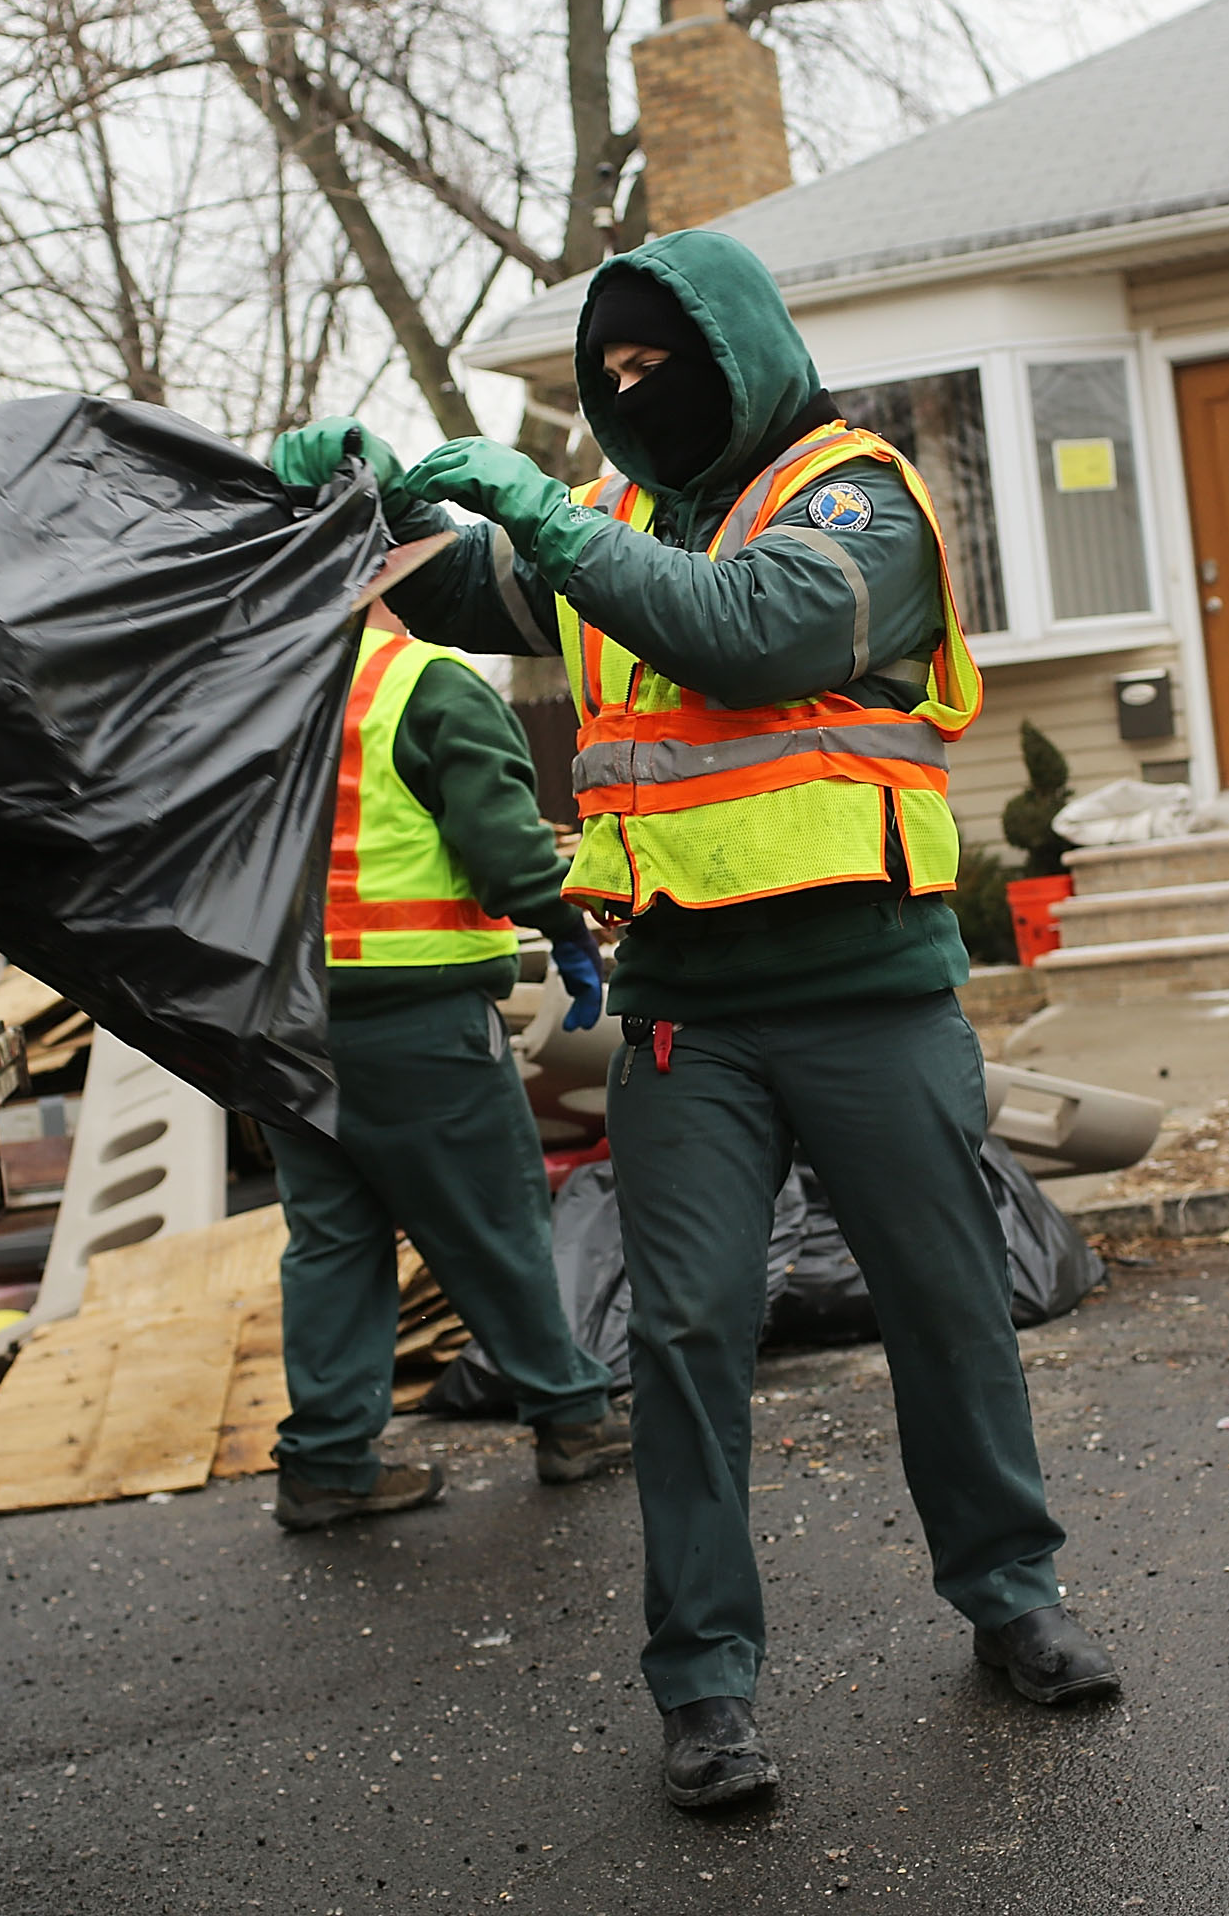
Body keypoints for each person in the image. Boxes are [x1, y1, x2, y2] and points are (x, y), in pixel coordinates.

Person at [301, 229, 1115, 1813]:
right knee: (680, 1341)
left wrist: (533, 509)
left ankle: (1011, 1594)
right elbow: (464, 583)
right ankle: (705, 1687)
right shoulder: (607, 522)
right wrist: (369, 502)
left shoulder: (854, 495)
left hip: (871, 998)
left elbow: (759, 629)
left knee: (947, 1303)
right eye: (605, 377)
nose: (627, 394)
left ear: (740, 350)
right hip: (687, 1012)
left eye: (655, 363)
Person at [235, 449, 630, 1528]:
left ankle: (327, 1461)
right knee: (492, 1219)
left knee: (332, 1239)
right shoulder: (421, 683)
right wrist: (568, 929)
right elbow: (505, 847)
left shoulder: (253, 695)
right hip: (414, 1015)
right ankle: (573, 1416)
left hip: (288, 1020)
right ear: (389, 573)